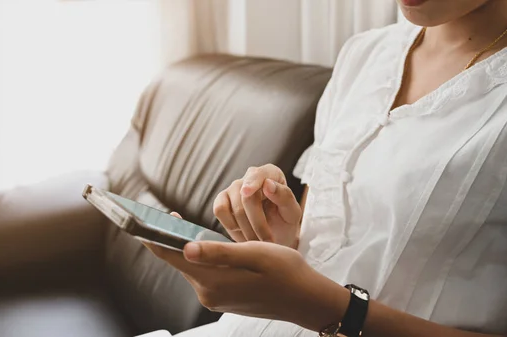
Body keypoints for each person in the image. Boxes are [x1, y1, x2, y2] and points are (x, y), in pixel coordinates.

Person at [142, 0, 507, 336]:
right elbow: (321, 240)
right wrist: (280, 232)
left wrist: (330, 309)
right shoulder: (365, 54)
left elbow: (316, 298)